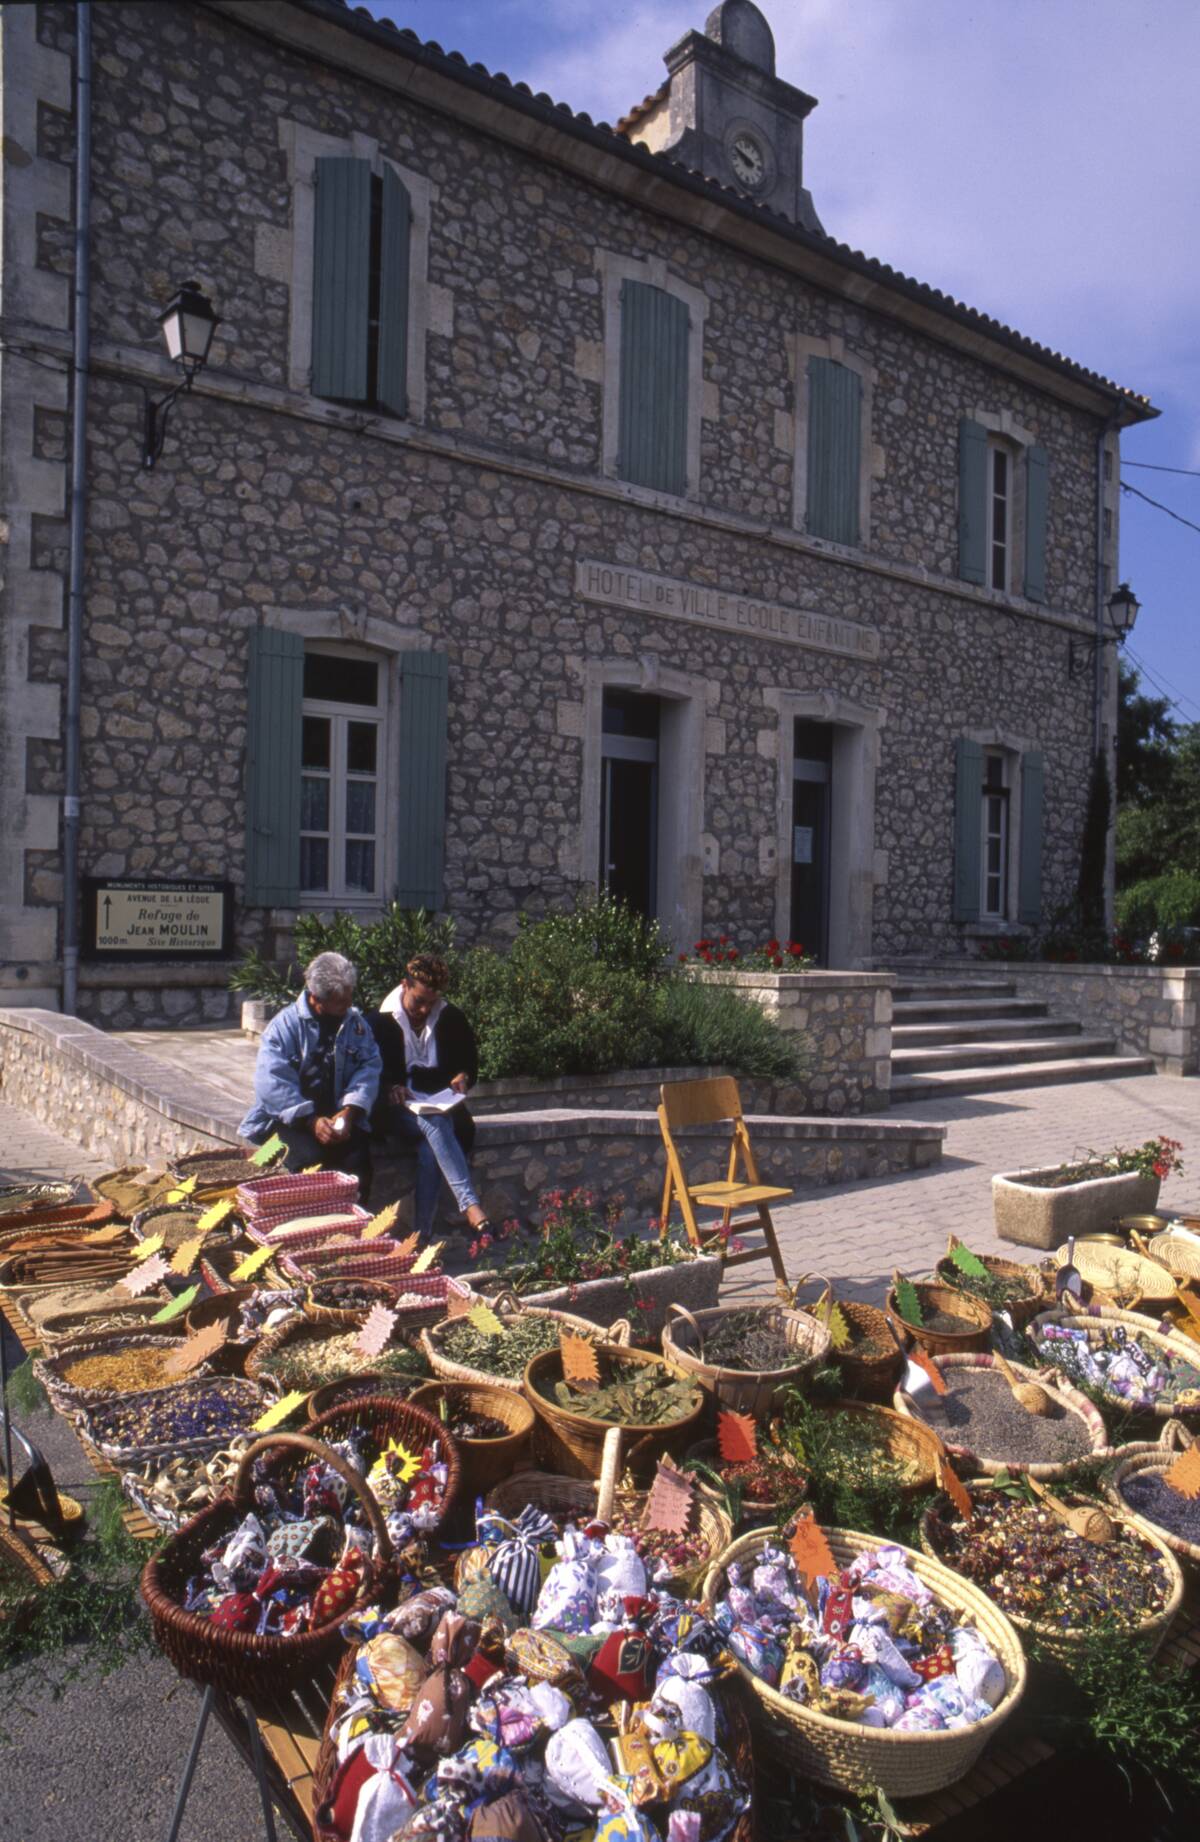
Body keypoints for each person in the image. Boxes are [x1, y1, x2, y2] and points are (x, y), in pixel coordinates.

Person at [367, 954, 490, 1240]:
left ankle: (421, 1237)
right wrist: (389, 1087)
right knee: (435, 1122)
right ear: (404, 985)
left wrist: (462, 1077)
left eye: (431, 1003)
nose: (424, 1010)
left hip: (439, 1106)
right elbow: (366, 1071)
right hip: (396, 1112)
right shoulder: (377, 1021)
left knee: (430, 1148)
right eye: (418, 1001)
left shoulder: (451, 1018)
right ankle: (469, 1204)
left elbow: (469, 1063)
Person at [239, 951, 382, 1192]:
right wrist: (310, 1121)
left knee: (358, 1167)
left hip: (337, 1116)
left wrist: (350, 1110)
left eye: (350, 996)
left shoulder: (356, 1025)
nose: (348, 1004)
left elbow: (369, 1067)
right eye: (340, 1001)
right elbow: (271, 1084)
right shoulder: (283, 1027)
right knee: (311, 1164)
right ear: (317, 998)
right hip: (288, 1120)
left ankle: (351, 1216)